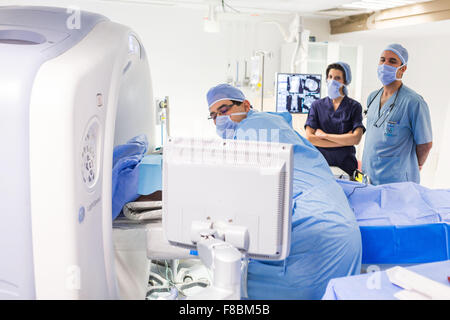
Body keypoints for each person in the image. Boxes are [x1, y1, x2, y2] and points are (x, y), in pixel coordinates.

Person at [206, 83, 362, 300]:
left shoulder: (253, 128)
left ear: (246, 104)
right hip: (343, 233)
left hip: (313, 237)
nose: (219, 120)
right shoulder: (270, 123)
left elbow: (249, 190)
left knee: (239, 287)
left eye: (223, 111)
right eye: (213, 116)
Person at [362, 44, 433, 185]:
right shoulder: (373, 97)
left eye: (392, 61)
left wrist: (414, 165)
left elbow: (425, 144)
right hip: (369, 175)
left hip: (397, 179)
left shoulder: (414, 102)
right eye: (382, 60)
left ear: (403, 68)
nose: (385, 65)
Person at [305, 62, 365, 177]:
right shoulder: (316, 106)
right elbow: (310, 138)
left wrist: (325, 136)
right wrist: (344, 141)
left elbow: (356, 139)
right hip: (321, 165)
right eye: (330, 77)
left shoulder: (354, 106)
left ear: (345, 82)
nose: (333, 81)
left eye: (337, 78)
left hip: (346, 166)